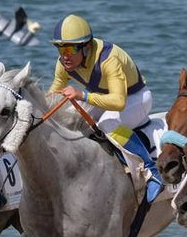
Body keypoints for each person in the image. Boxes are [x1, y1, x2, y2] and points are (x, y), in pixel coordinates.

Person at [48, 14, 155, 153]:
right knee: (68, 120)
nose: (65, 56)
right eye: (61, 49)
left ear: (85, 47)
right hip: (102, 98)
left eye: (70, 49)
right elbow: (52, 95)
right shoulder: (63, 63)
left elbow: (118, 102)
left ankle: (148, 169)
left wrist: (82, 95)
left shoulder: (109, 59)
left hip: (135, 98)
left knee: (107, 124)